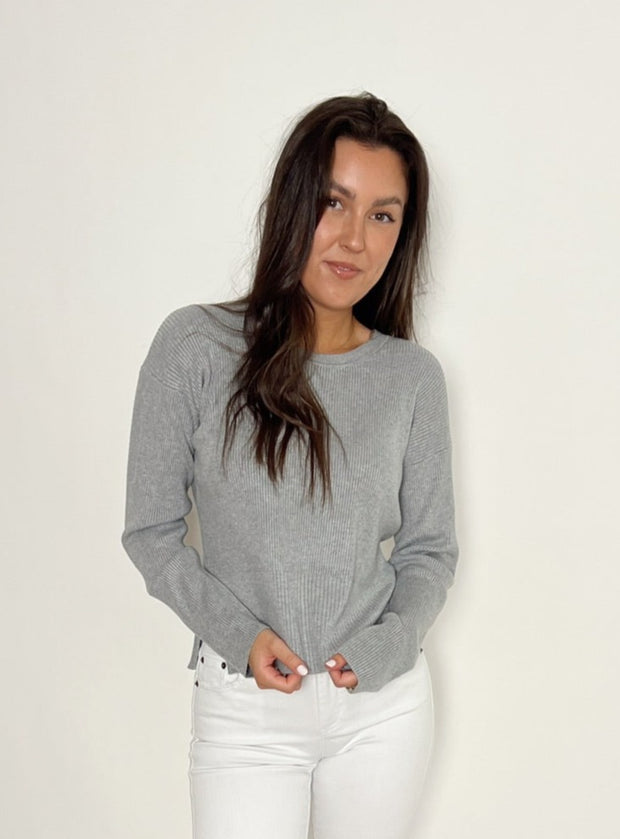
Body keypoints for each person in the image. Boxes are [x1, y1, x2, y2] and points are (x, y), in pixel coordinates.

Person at [121, 91, 458, 839]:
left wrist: (392, 640)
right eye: (333, 203)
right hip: (246, 710)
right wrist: (239, 635)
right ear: (291, 203)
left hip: (383, 711)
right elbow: (150, 532)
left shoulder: (412, 378)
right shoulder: (195, 348)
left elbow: (431, 550)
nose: (353, 239)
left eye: (383, 216)